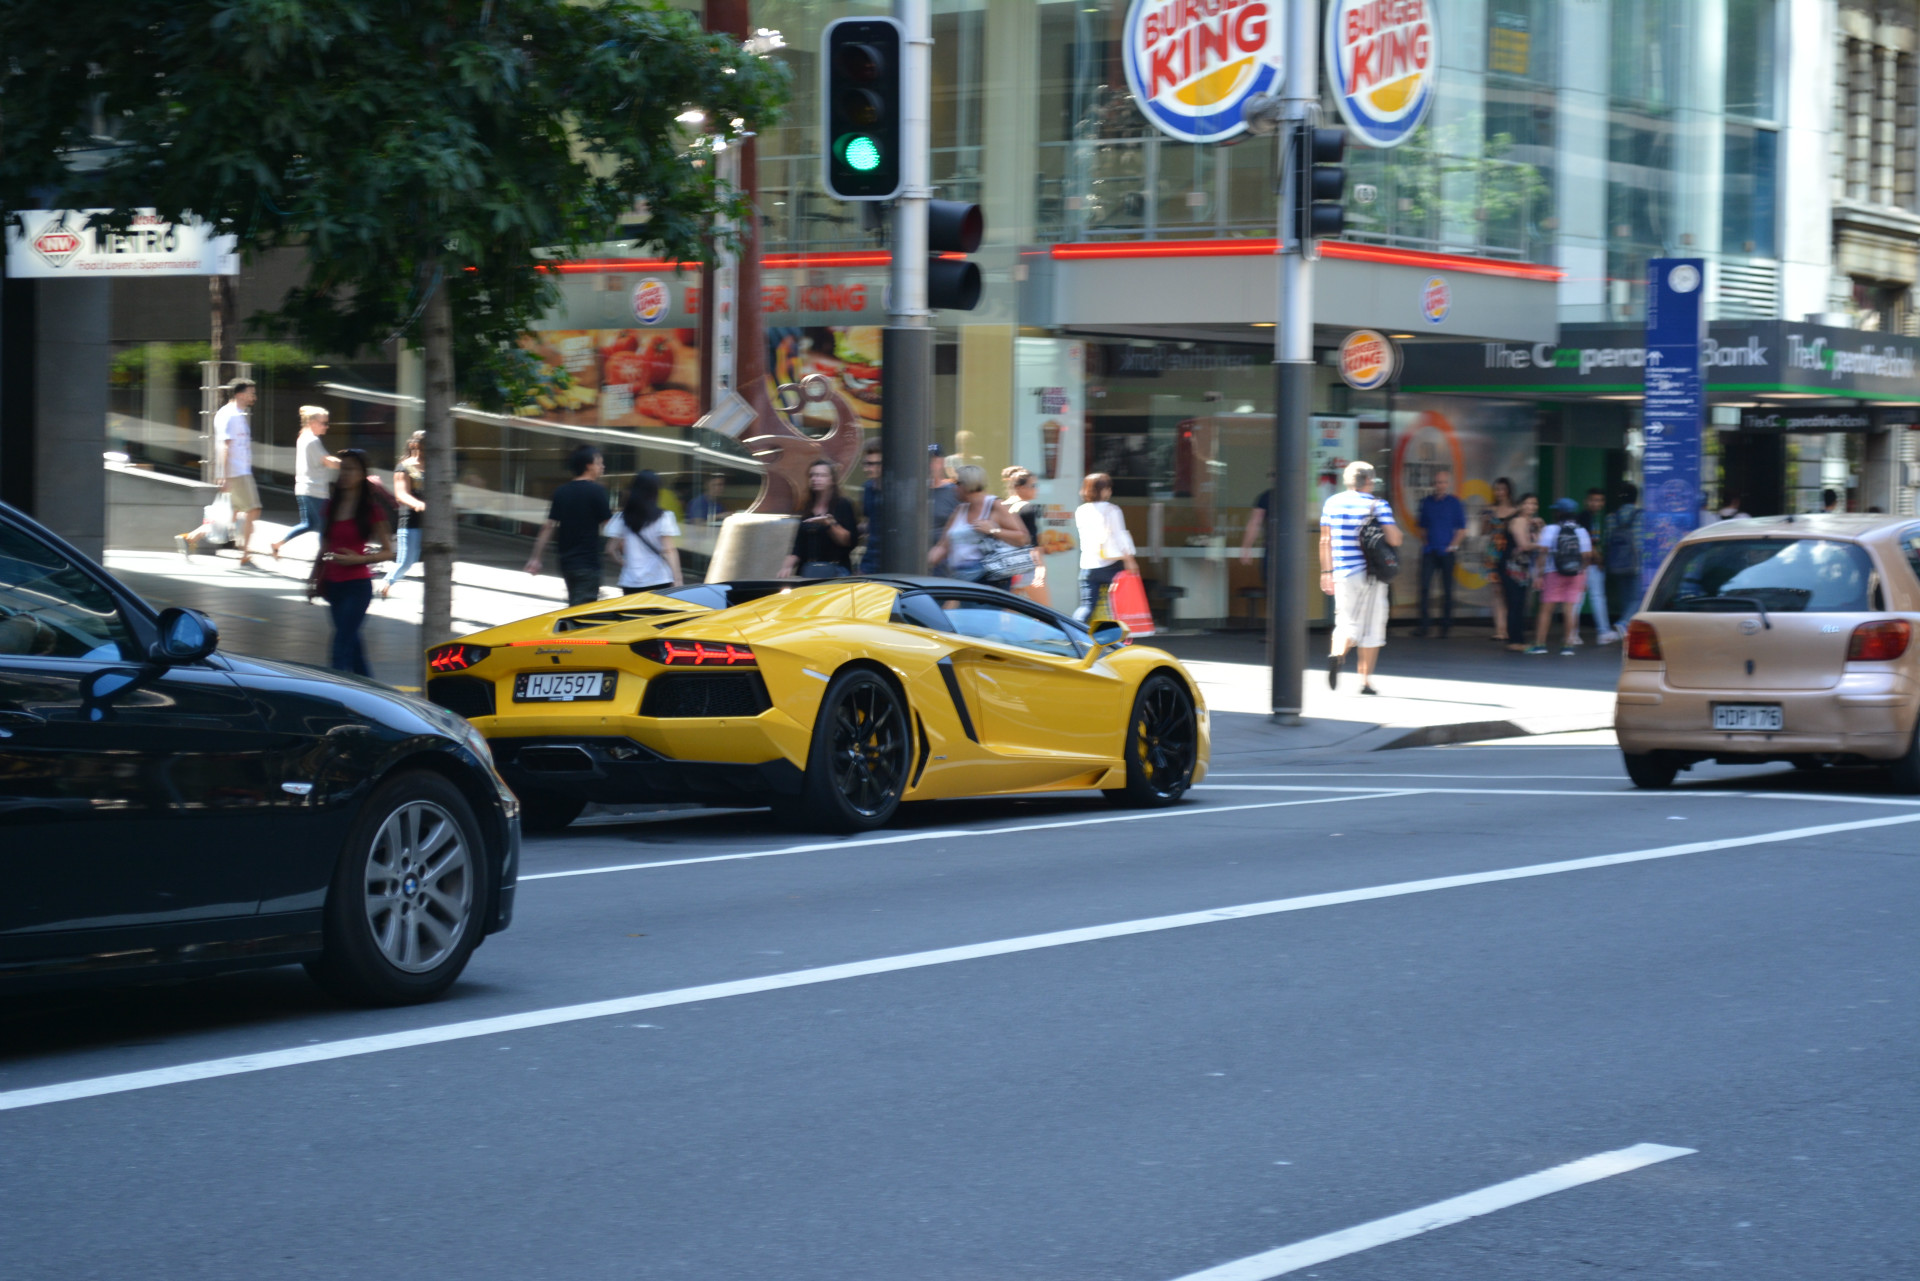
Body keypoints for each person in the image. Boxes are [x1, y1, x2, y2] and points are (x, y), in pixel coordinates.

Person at [1320, 460, 1402, 694]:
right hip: (1370, 574)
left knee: (1344, 621)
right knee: (1371, 627)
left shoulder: (1332, 503)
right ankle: (1365, 681)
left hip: (1342, 573)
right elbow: (1394, 539)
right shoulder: (1378, 505)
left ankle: (1337, 655)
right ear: (1369, 481)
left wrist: (1326, 572)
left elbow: (1325, 540)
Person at [309, 449, 392, 677]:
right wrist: (314, 578)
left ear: (362, 474)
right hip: (333, 586)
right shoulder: (331, 505)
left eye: (352, 469)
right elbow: (324, 545)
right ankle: (373, 696)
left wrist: (359, 559)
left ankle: (335, 698)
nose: (345, 474)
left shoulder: (370, 509)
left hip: (357, 586)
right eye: (343, 468)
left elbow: (389, 551)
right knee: (353, 649)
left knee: (340, 648)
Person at [178, 379, 261, 563]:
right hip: (237, 472)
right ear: (239, 394)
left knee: (228, 514)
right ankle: (245, 553)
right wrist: (224, 476)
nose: (253, 396)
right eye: (251, 393)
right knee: (253, 509)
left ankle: (191, 537)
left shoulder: (234, 414)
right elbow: (225, 446)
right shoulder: (231, 415)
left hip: (237, 471)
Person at [525, 445, 611, 605]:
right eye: (599, 462)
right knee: (583, 613)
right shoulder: (597, 491)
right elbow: (610, 525)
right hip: (588, 562)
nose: (602, 466)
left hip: (566, 562)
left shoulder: (561, 491)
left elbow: (548, 527)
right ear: (588, 465)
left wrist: (535, 558)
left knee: (576, 604)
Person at [929, 464, 1030, 589]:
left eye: (956, 483)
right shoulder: (960, 510)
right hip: (961, 581)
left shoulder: (995, 505)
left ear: (965, 485)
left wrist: (994, 530)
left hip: (988, 582)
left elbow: (1023, 538)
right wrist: (921, 564)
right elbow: (943, 546)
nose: (953, 488)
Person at [272, 405, 338, 561]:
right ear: (312, 422)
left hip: (304, 488)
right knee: (326, 526)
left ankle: (277, 543)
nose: (326, 427)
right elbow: (327, 461)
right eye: (324, 423)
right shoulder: (313, 440)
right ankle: (325, 558)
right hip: (315, 490)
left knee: (308, 524)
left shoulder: (303, 437)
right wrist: (349, 464)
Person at [1073, 472, 1138, 623]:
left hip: (1088, 566)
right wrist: (1130, 560)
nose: (1109, 491)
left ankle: (1073, 634)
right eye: (1108, 488)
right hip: (1112, 566)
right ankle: (1119, 639)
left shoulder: (1081, 510)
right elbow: (1120, 536)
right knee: (1117, 606)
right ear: (1103, 490)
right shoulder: (1112, 510)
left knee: (1087, 606)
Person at [605, 469, 683, 593]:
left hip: (630, 581)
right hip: (659, 579)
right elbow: (669, 550)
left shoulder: (622, 518)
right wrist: (678, 578)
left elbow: (610, 549)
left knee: (632, 612)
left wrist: (623, 562)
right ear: (655, 491)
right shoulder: (664, 517)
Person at [1531, 497, 1591, 655]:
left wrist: (1538, 575)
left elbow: (1543, 553)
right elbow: (1587, 556)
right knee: (1569, 610)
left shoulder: (1551, 529)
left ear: (1558, 513)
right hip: (1576, 574)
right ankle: (1567, 646)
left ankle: (1539, 645)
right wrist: (1584, 575)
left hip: (1553, 572)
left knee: (1546, 610)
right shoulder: (1581, 531)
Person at [783, 460, 858, 578]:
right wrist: (786, 568)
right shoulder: (808, 507)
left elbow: (849, 541)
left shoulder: (843, 504)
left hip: (836, 570)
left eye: (821, 475)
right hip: (808, 570)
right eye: (812, 475)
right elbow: (798, 547)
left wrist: (829, 524)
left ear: (832, 480)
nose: (815, 479)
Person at [1414, 468, 1467, 638]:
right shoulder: (1426, 502)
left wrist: (1452, 546)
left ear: (1448, 483)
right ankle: (1424, 625)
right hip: (1430, 551)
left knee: (1448, 590)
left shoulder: (1455, 503)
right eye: (1437, 482)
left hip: (1447, 552)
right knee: (1424, 588)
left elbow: (1461, 529)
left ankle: (1446, 626)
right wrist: (1426, 542)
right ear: (1433, 484)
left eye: (1443, 482)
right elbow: (1421, 527)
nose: (1440, 485)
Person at [379, 430, 426, 600]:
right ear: (414, 445)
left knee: (417, 558)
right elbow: (401, 494)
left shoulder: (434, 467)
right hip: (411, 521)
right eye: (424, 446)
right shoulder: (404, 466)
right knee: (406, 560)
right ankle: (387, 582)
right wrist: (418, 504)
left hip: (429, 523)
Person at [1502, 493, 1542, 652]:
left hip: (1523, 568)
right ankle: (1514, 640)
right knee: (1515, 603)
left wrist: (1539, 528)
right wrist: (1541, 544)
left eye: (1534, 504)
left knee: (1520, 604)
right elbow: (1524, 545)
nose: (1531, 507)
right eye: (1527, 503)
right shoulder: (1518, 521)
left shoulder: (1530, 522)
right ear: (1520, 505)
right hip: (1512, 568)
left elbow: (1536, 542)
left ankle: (1519, 639)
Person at [1577, 487, 1616, 644]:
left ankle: (1572, 633)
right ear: (1586, 501)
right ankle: (1603, 631)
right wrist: (1598, 558)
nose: (1596, 503)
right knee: (1597, 597)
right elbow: (1586, 541)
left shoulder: (1592, 517)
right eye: (1593, 500)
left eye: (1599, 500)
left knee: (1579, 599)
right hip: (1587, 564)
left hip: (1584, 564)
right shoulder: (1585, 517)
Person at [1482, 477, 1518, 642]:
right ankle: (1500, 629)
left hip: (1509, 553)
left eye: (1502, 489)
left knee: (1508, 591)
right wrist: (1486, 521)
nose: (1499, 492)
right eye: (1497, 489)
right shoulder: (1490, 509)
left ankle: (1509, 628)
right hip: (1493, 553)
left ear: (1509, 490)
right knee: (1496, 591)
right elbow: (1484, 532)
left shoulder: (1516, 510)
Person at [1002, 465, 1047, 601]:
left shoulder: (1002, 506)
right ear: (1020, 488)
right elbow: (1032, 543)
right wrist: (1040, 568)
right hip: (1025, 567)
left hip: (1006, 566)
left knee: (1009, 610)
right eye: (1033, 485)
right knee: (1045, 613)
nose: (1037, 489)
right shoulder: (1026, 508)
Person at [1602, 482, 1643, 627]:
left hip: (1617, 562)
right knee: (1638, 597)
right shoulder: (1641, 515)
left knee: (1625, 598)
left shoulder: (1611, 517)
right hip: (1636, 562)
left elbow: (1607, 542)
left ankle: (1627, 631)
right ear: (1636, 498)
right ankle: (1624, 623)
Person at [1237, 470, 1277, 588]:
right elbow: (1255, 522)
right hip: (1290, 550)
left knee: (1271, 587)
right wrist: (1246, 546)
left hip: (1272, 549)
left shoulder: (1267, 497)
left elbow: (1255, 522)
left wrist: (1246, 547)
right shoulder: (1297, 497)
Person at [927, 445, 961, 571]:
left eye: (934, 461)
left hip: (945, 564)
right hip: (912, 560)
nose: (930, 465)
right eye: (926, 460)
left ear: (942, 462)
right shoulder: (913, 491)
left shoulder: (955, 492)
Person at [858, 440, 884, 573]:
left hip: (892, 557)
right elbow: (867, 523)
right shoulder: (867, 488)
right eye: (866, 464)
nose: (867, 469)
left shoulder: (897, 490)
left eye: (872, 464)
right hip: (871, 558)